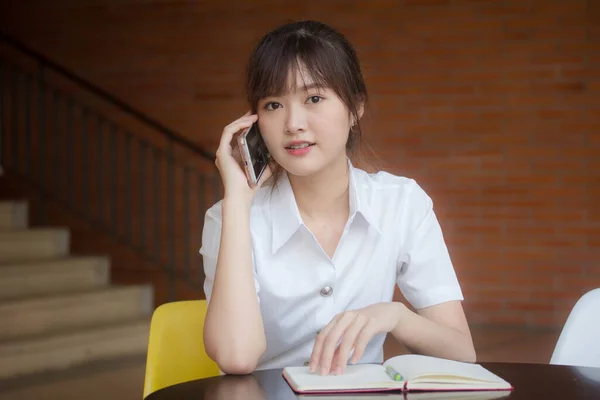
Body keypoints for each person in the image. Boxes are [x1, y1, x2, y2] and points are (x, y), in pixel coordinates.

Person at [200, 20, 476, 376]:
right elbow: (236, 358)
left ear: (355, 108)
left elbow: (461, 352)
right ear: (253, 124)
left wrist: (393, 315)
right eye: (273, 105)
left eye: (314, 98)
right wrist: (238, 200)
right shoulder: (228, 218)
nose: (293, 123)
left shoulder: (402, 203)